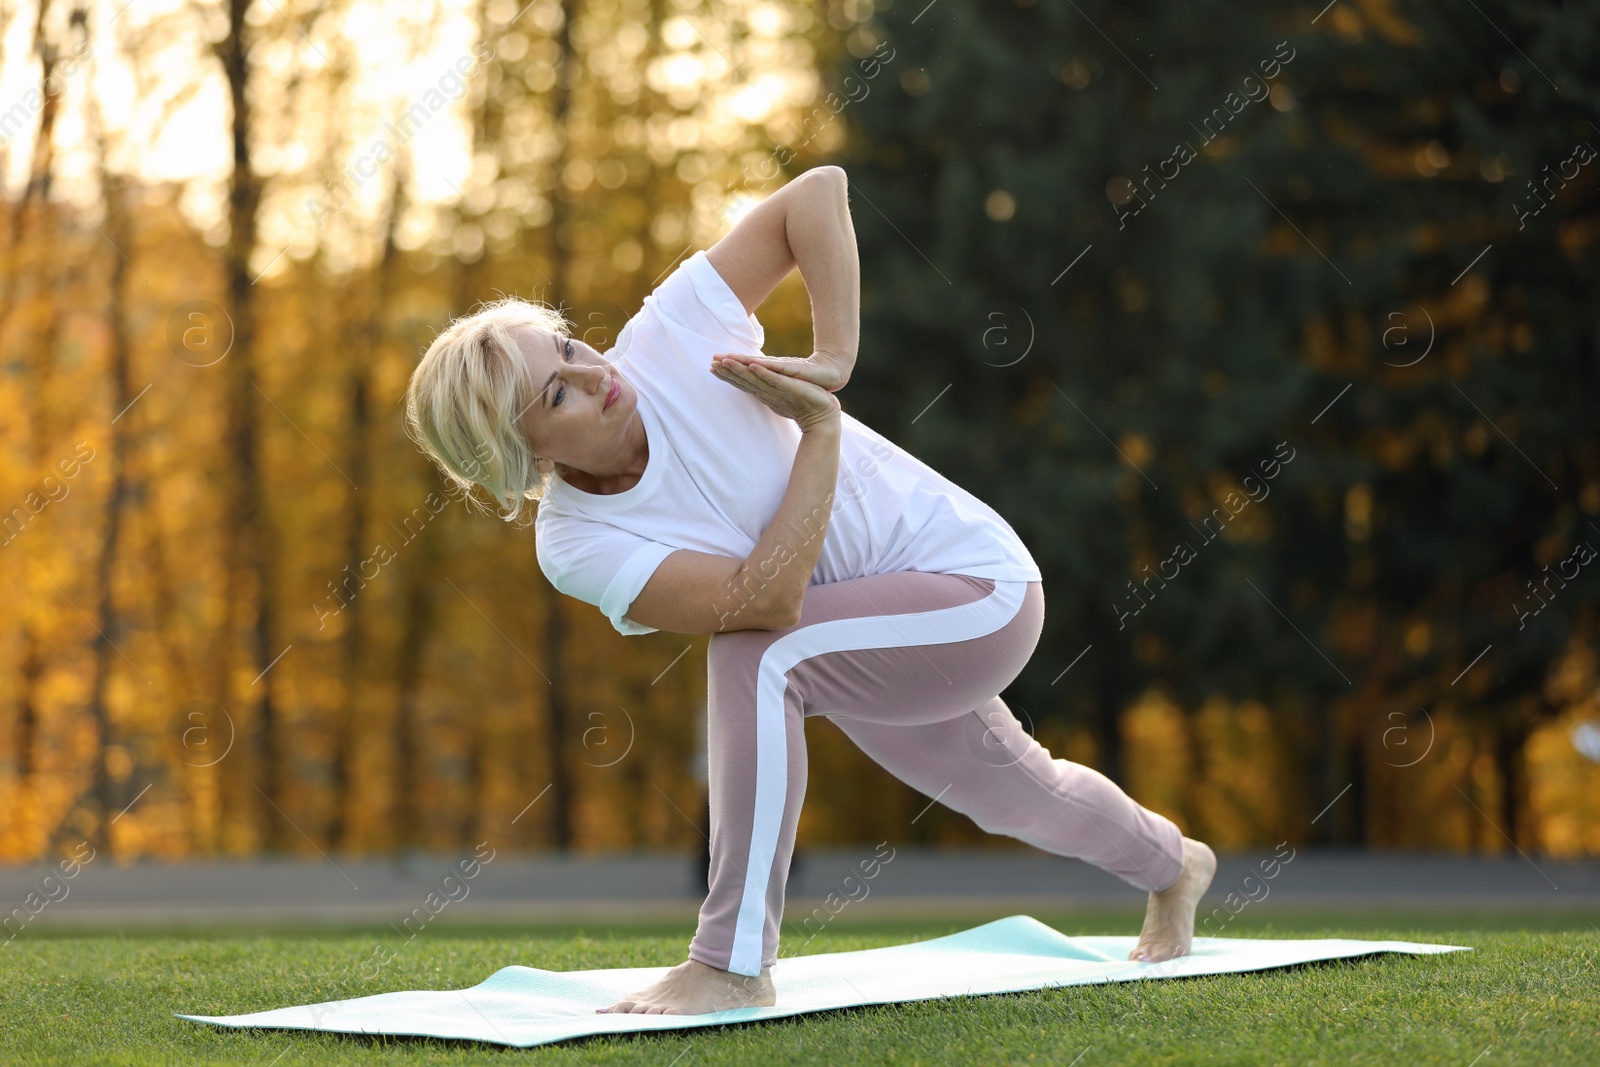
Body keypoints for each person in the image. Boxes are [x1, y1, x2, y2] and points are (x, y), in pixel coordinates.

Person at [403, 165, 1216, 1016]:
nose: (594, 371)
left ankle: (731, 962)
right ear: (523, 454)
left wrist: (834, 359)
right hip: (856, 640)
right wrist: (819, 435)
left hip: (976, 588)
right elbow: (764, 598)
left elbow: (816, 194)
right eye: (556, 392)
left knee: (756, 661)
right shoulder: (576, 541)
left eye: (570, 347)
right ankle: (1175, 862)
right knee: (1019, 793)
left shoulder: (674, 331)